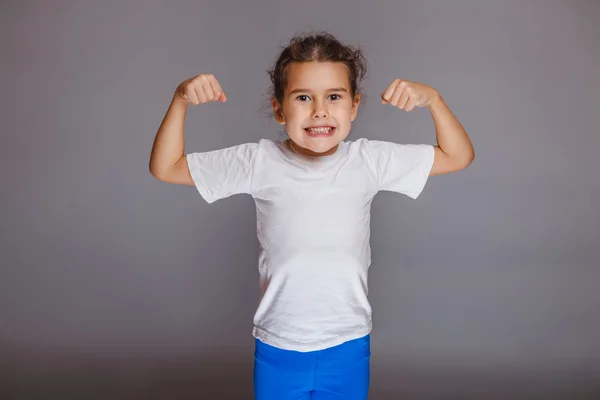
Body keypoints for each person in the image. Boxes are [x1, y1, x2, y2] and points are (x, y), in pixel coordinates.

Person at [149, 32, 474, 400]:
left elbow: (458, 155)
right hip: (279, 347)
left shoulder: (368, 160)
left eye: (334, 97)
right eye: (303, 97)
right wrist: (180, 100)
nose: (319, 110)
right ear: (278, 109)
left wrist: (434, 100)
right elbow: (166, 167)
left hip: (348, 344)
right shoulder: (259, 162)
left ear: (353, 107)